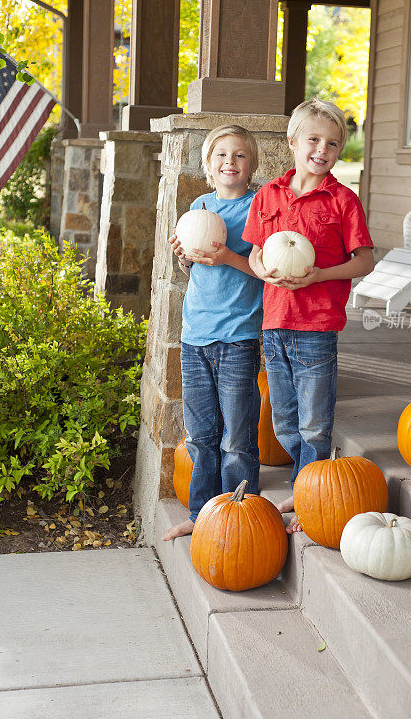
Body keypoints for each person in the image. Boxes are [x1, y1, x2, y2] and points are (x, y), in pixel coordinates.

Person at [243, 98, 375, 533]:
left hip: (317, 325)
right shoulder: (268, 195)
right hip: (275, 320)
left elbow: (364, 260)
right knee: (283, 421)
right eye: (314, 140)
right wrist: (262, 269)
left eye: (332, 143)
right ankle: (306, 488)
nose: (322, 149)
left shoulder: (342, 200)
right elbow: (258, 252)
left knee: (314, 423)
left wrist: (320, 274)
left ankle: (311, 499)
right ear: (293, 142)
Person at [162, 125, 264, 542]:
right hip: (195, 334)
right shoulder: (200, 204)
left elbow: (261, 270)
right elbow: (194, 267)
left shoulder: (260, 207)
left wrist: (226, 256)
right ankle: (202, 512)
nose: (230, 162)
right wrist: (185, 257)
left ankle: (240, 515)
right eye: (221, 155)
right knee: (202, 434)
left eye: (240, 155)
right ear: (208, 165)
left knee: (237, 436)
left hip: (238, 333)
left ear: (252, 165)